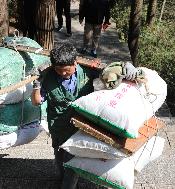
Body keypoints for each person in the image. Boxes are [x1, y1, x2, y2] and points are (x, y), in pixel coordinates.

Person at [31, 43, 139, 188]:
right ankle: (63, 176)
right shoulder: (47, 76)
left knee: (72, 161)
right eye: (59, 70)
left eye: (67, 70)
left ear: (75, 62)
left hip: (81, 125)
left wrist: (127, 67)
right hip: (58, 125)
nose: (63, 73)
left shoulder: (87, 70)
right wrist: (36, 84)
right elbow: (37, 102)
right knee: (60, 157)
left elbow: (110, 70)